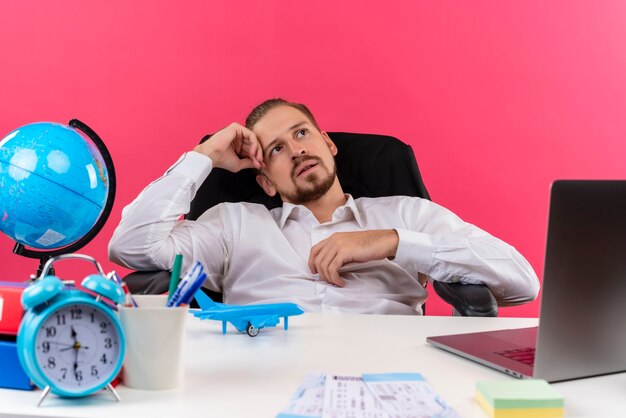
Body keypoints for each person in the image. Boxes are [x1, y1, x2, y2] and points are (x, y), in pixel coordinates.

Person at [109, 98, 539, 314]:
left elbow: (522, 282)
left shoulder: (407, 215)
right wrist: (205, 154)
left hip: (388, 380)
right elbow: (130, 246)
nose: (295, 151)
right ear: (265, 182)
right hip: (259, 382)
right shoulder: (233, 225)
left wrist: (392, 242)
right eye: (275, 149)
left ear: (328, 145)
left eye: (301, 134)